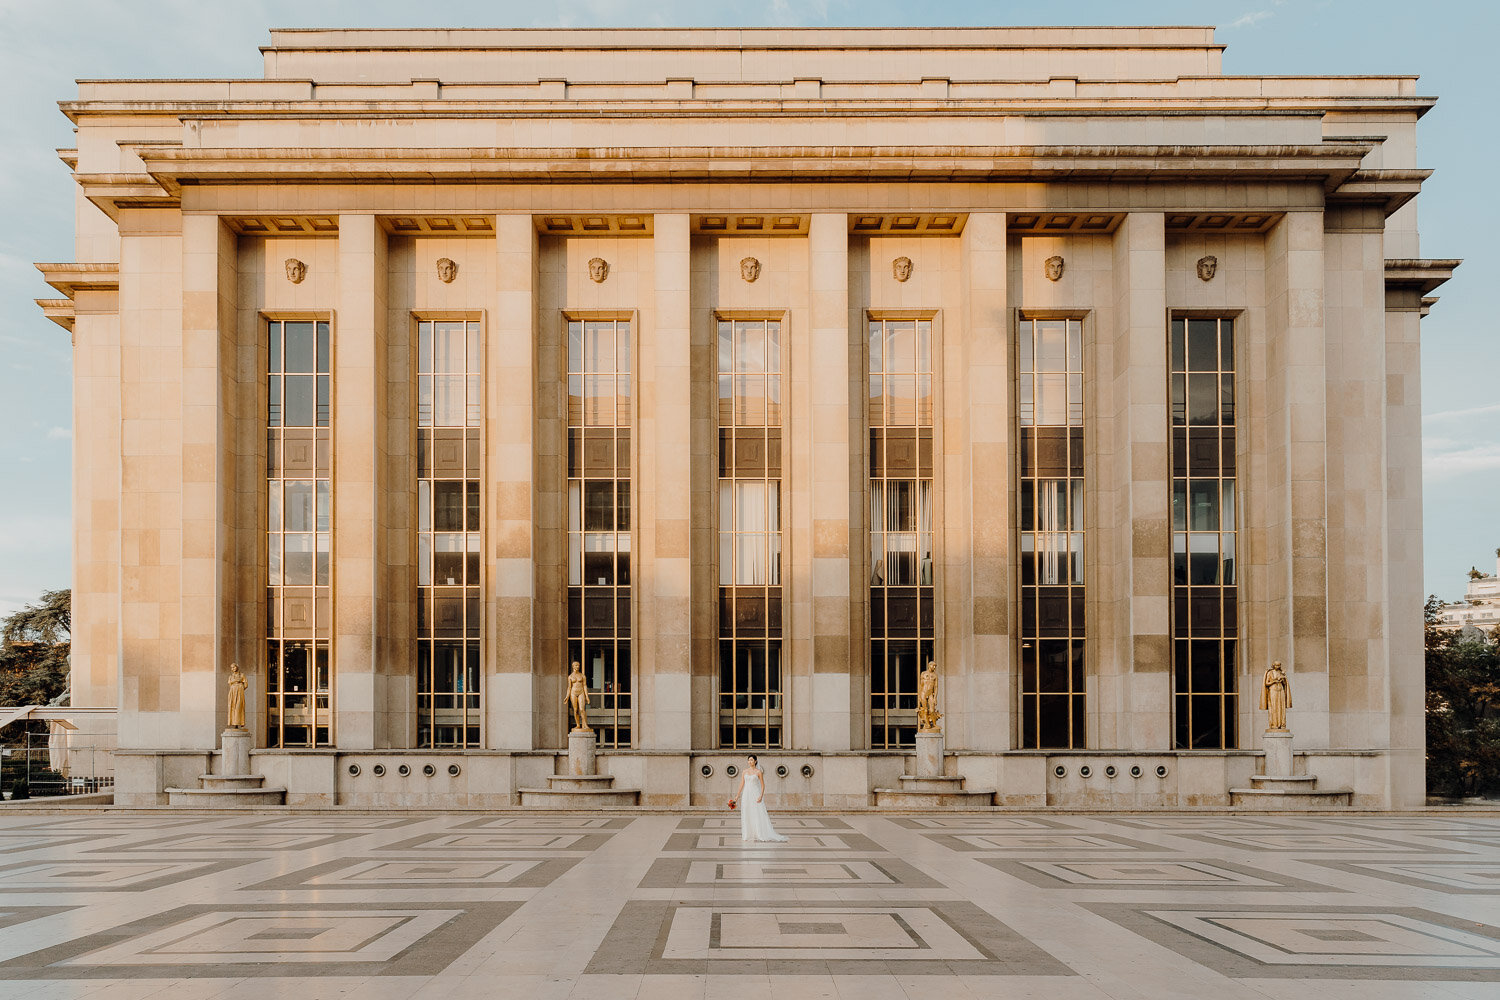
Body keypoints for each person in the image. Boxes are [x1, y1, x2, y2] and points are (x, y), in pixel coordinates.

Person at [728, 754, 787, 843]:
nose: (750, 762)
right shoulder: (744, 771)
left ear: (755, 761)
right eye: (749, 760)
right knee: (747, 813)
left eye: (751, 760)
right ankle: (747, 834)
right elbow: (741, 784)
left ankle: (759, 833)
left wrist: (761, 796)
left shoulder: (758, 772)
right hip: (746, 795)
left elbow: (763, 785)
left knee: (757, 813)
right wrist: (737, 796)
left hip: (755, 794)